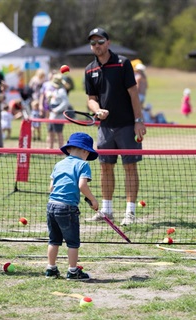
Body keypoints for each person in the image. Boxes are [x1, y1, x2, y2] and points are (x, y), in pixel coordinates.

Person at [84, 27, 145, 226]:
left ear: (108, 43)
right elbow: (91, 100)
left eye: (100, 42)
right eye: (93, 43)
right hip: (105, 128)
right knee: (105, 169)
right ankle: (107, 211)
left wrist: (138, 121)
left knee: (129, 168)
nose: (97, 46)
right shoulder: (89, 70)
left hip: (127, 125)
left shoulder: (122, 63)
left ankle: (130, 213)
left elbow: (134, 95)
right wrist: (97, 110)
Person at [45, 132, 98, 280]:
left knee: (53, 240)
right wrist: (93, 200)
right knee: (73, 242)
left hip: (51, 205)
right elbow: (82, 185)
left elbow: (52, 187)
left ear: (68, 149)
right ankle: (73, 271)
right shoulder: (83, 164)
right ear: (85, 151)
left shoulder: (59, 164)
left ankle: (51, 269)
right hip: (67, 208)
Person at [47, 74, 72, 149]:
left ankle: (61, 148)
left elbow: (65, 103)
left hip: (58, 115)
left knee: (59, 133)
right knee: (50, 132)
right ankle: (50, 148)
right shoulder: (55, 90)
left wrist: (57, 110)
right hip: (52, 115)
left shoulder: (62, 91)